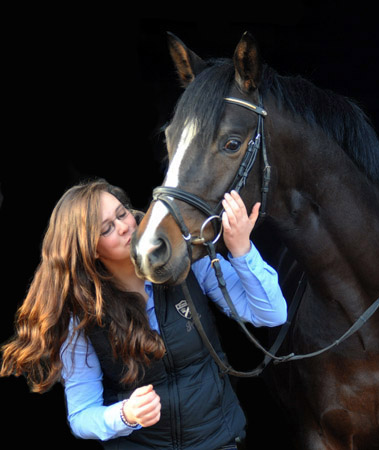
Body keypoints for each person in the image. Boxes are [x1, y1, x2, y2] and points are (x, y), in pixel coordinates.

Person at [1, 179, 287, 449]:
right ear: (91, 250)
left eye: (122, 214)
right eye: (106, 229)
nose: (125, 227)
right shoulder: (81, 317)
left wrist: (241, 248)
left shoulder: (187, 261)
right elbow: (81, 415)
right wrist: (125, 414)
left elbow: (272, 314)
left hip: (217, 439)